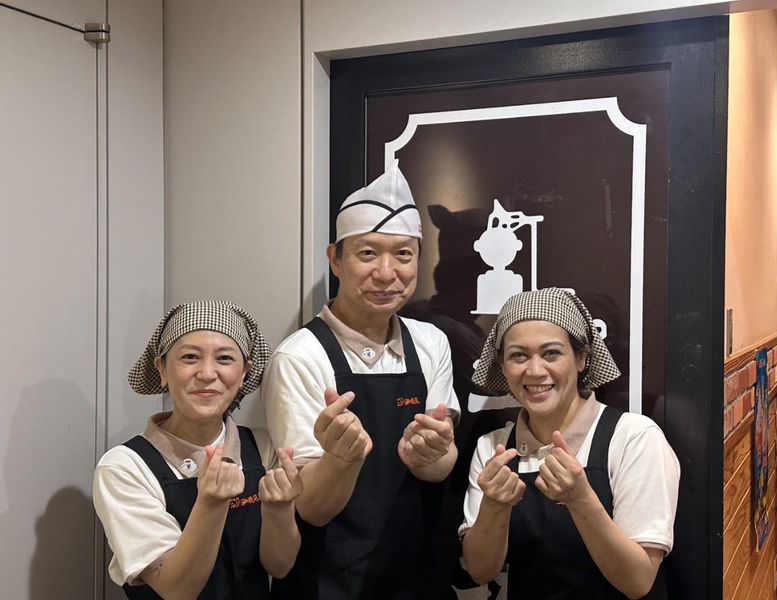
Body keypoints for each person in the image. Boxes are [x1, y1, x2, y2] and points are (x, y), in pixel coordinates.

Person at [263, 160, 460, 599]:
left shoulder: (431, 343)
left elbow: (438, 469)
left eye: (403, 254)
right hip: (328, 583)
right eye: (368, 253)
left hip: (417, 578)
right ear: (336, 259)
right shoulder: (299, 357)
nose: (387, 273)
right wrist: (341, 459)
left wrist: (433, 453)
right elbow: (310, 508)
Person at [460, 288, 679, 599]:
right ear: (502, 365)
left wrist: (580, 499)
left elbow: (638, 581)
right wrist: (494, 506)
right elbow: (481, 571)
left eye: (551, 353)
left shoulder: (634, 438)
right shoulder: (492, 448)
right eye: (518, 355)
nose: (535, 371)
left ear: (581, 357)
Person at [94, 300, 301, 599]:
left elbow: (279, 566)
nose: (206, 373)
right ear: (162, 369)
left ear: (245, 372)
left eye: (225, 358)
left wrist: (279, 508)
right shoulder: (124, 467)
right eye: (190, 357)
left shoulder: (263, 448)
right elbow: (177, 590)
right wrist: (211, 502)